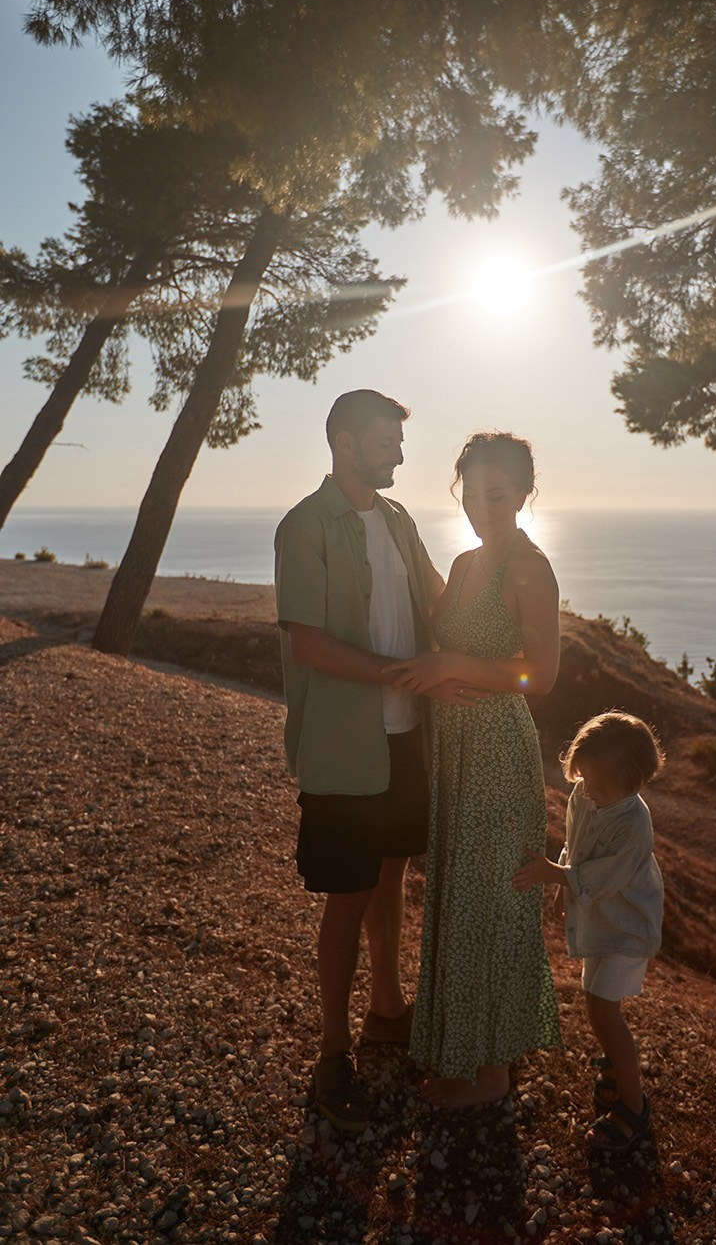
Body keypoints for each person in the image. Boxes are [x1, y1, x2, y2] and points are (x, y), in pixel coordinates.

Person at [274, 389, 476, 1132]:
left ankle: (386, 1009)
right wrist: (403, 673)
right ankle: (332, 1058)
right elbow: (310, 644)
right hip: (343, 744)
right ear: (344, 443)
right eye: (386, 439)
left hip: (404, 737)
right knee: (347, 895)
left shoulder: (397, 520)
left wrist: (496, 588)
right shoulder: (305, 526)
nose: (397, 451)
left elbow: (440, 599)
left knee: (393, 872)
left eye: (399, 439)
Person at [382, 431, 562, 1107]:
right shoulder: (461, 566)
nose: (484, 506)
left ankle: (489, 1074)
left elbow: (539, 676)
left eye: (499, 493)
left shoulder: (530, 568)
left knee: (492, 901)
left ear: (523, 494)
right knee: (458, 899)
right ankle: (465, 1054)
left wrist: (454, 666)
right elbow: (434, 642)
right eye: (473, 493)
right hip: (451, 748)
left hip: (498, 751)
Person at [513, 710, 664, 1152]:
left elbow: (605, 876)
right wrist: (565, 880)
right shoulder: (585, 795)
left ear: (634, 782)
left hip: (629, 925)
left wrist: (558, 877)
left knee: (602, 1008)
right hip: (602, 918)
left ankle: (634, 1108)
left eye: (598, 785)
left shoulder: (635, 825)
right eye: (584, 780)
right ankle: (616, 1069)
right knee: (595, 1000)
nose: (588, 790)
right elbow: (575, 845)